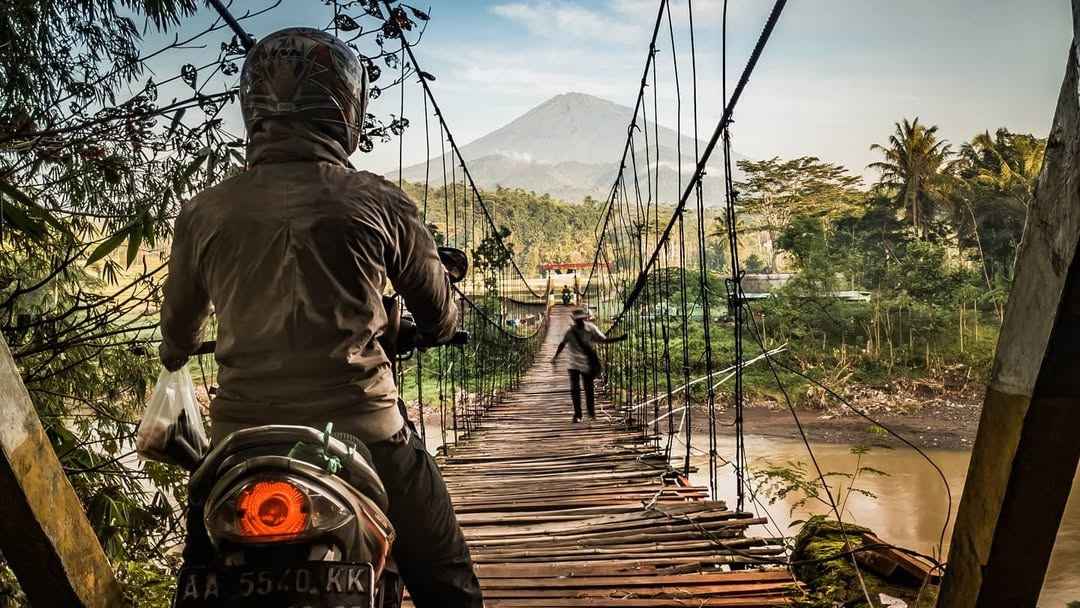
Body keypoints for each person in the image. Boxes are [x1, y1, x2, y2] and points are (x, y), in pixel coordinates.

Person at [158, 28, 482, 606]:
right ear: (345, 107)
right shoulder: (378, 201)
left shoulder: (202, 212)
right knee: (448, 582)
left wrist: (186, 348)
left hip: (240, 441)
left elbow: (176, 336)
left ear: (251, 104)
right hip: (365, 430)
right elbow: (438, 311)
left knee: (200, 578)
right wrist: (436, 325)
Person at [551, 308, 616, 422]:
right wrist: (555, 357)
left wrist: (618, 339)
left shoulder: (591, 328)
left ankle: (591, 414)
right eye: (578, 320)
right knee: (575, 390)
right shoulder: (570, 332)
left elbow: (603, 339)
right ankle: (578, 415)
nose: (580, 322)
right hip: (574, 364)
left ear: (585, 319)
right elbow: (562, 344)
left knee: (589, 388)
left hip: (587, 363)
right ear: (575, 321)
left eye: (581, 319)